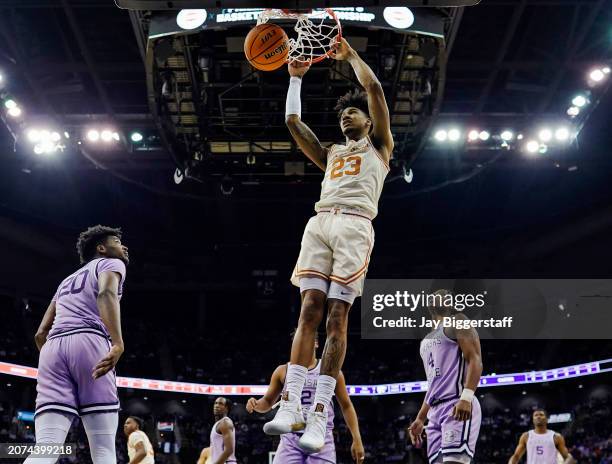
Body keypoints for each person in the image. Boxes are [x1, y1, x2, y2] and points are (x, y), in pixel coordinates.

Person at [263, 37, 394, 453]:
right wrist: (295, 79)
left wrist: (350, 55)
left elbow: (373, 90)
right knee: (308, 311)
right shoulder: (331, 153)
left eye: (352, 113)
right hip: (320, 223)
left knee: (337, 317)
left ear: (369, 122)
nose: (345, 118)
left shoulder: (380, 147)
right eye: (341, 115)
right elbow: (292, 124)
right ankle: (291, 405)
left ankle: (319, 411)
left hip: (355, 226)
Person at [24, 225, 129, 464]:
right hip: (88, 340)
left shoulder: (65, 282)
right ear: (101, 249)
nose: (123, 246)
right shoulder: (111, 263)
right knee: (103, 449)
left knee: (46, 447)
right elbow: (105, 294)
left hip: (52, 349)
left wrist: (61, 363)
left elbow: (41, 333)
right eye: (116, 241)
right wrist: (118, 343)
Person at [247, 332, 365, 463]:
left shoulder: (330, 370)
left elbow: (346, 406)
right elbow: (268, 401)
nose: (302, 344)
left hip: (321, 437)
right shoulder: (283, 370)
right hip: (291, 438)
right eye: (298, 342)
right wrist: (256, 404)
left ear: (316, 343)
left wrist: (357, 438)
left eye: (306, 340)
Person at [407, 289, 483, 464]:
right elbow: (433, 385)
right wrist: (420, 418)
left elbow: (475, 359)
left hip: (456, 403)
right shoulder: (424, 342)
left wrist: (467, 397)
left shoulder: (458, 321)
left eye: (443, 294)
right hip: (434, 414)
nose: (437, 296)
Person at [508, 409, 576, 464]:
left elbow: (568, 458)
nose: (538, 416)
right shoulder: (526, 436)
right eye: (536, 415)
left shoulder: (556, 436)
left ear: (546, 419)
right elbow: (516, 456)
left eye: (541, 415)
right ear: (533, 420)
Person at [210, 397, 237, 464]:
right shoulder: (218, 423)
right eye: (215, 403)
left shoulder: (225, 423)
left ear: (226, 408)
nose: (216, 406)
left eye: (220, 403)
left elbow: (229, 450)